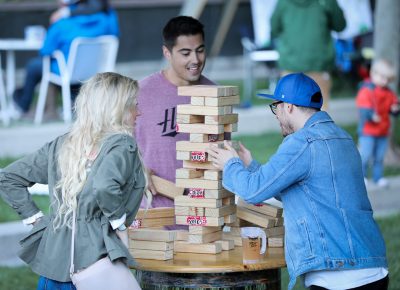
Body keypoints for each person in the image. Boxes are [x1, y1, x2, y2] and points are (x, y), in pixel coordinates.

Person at [207, 73, 388, 290]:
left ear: (289, 107)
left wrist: (230, 165)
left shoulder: (301, 142)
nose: (276, 114)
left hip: (338, 278)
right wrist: (252, 167)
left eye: (277, 106)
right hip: (373, 269)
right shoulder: (343, 137)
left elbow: (252, 191)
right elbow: (305, 191)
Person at [0, 72, 147, 289]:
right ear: (118, 109)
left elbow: (8, 177)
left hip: (53, 265)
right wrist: (119, 224)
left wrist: (36, 219)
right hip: (96, 264)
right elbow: (104, 186)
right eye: (134, 105)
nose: (139, 112)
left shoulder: (62, 145)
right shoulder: (122, 144)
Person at [134, 16, 214, 213]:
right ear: (167, 53)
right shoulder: (140, 94)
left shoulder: (214, 94)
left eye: (200, 51)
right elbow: (116, 150)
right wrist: (136, 170)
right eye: (185, 53)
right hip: (153, 216)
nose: (195, 60)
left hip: (202, 218)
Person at [10, 3, 119, 120]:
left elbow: (45, 51)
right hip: (93, 72)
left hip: (66, 71)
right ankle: (55, 107)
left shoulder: (61, 24)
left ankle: (23, 104)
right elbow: (115, 34)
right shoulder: (106, 22)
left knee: (35, 65)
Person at [270, 0, 346, 111]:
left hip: (291, 65)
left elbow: (274, 29)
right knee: (319, 115)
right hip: (319, 64)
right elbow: (340, 25)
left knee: (288, 114)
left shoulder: (283, 2)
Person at [356, 59, 400, 187]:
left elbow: (393, 107)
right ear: (372, 73)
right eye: (381, 77)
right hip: (368, 131)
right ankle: (362, 176)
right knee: (365, 155)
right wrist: (370, 115)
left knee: (379, 156)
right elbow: (363, 107)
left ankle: (378, 177)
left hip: (383, 130)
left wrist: (395, 109)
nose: (384, 81)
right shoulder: (366, 90)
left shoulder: (389, 93)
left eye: (387, 79)